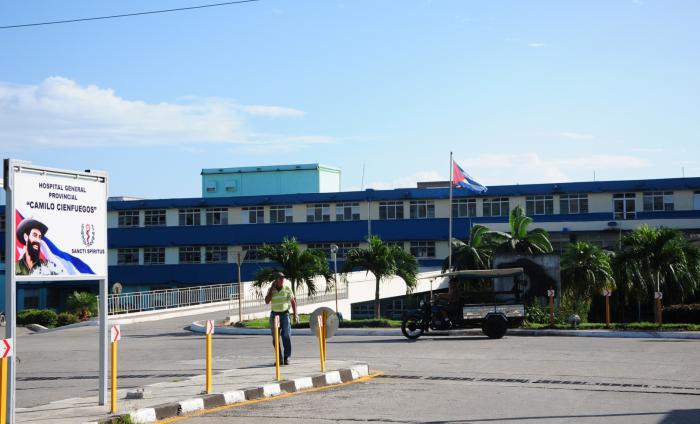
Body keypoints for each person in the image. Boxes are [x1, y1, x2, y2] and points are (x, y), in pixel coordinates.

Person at [264, 272, 299, 365]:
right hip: (274, 316)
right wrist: (272, 289)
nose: (282, 280)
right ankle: (279, 359)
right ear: (276, 280)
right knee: (275, 338)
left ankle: (287, 357)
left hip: (285, 315)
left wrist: (295, 315)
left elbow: (293, 302)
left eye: (283, 278)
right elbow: (267, 301)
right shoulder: (271, 290)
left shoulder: (287, 288)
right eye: (280, 278)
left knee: (286, 336)